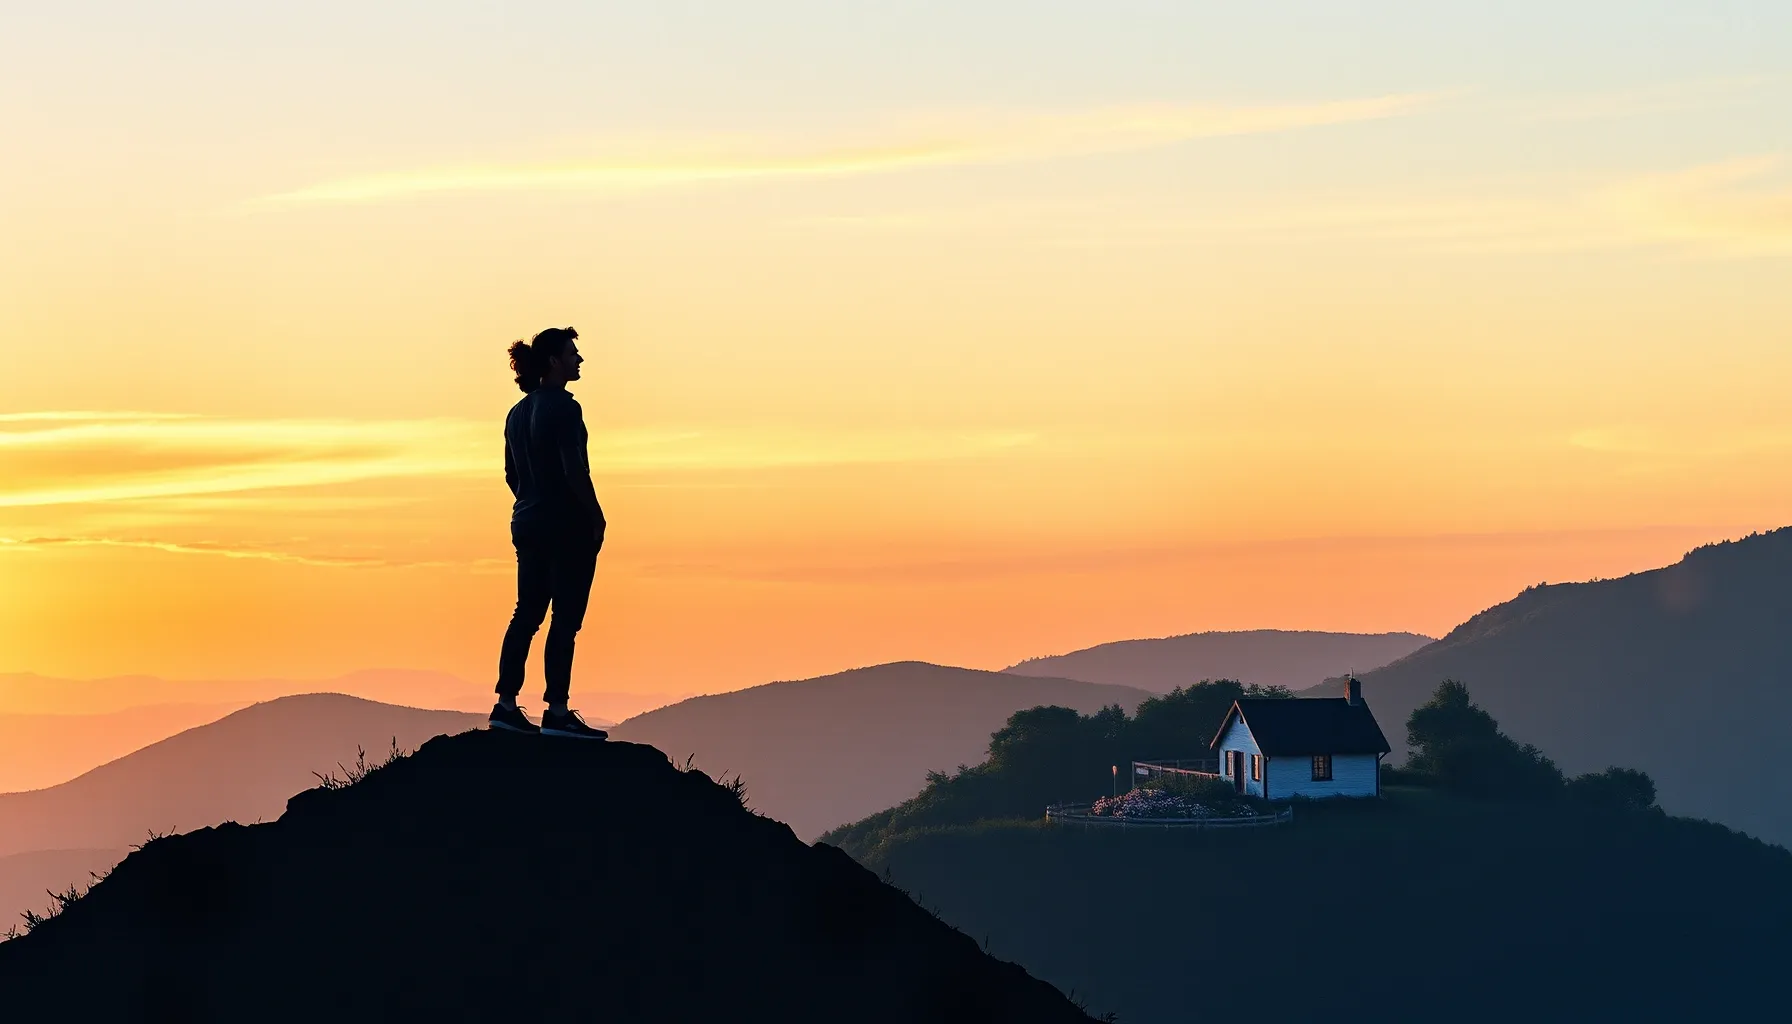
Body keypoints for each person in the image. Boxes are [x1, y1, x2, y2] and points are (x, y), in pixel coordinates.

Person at [490, 326, 609, 739]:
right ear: (555, 361)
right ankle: (557, 711)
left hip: (527, 523)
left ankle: (505, 705)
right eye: (572, 353)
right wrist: (595, 517)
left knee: (527, 613)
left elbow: (511, 474)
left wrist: (532, 501)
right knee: (566, 618)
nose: (579, 359)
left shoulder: (516, 413)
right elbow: (574, 469)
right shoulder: (564, 408)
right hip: (566, 525)